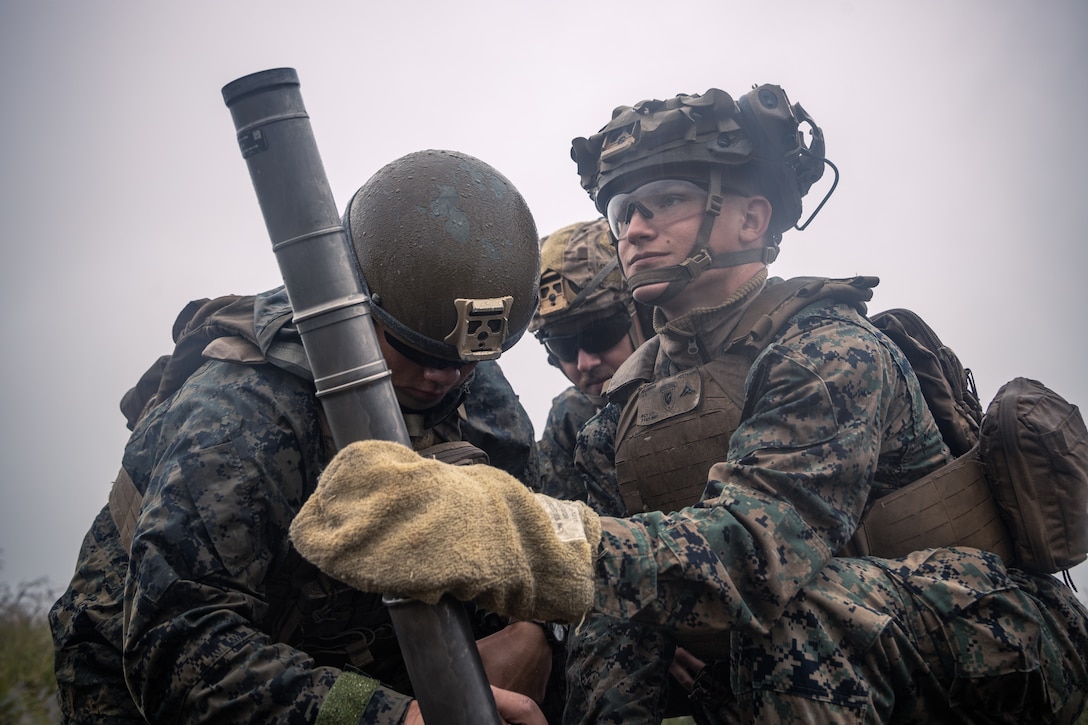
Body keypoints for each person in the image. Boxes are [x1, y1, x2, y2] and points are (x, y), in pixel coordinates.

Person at [292, 88, 1088, 724]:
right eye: (622, 209)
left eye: (664, 199)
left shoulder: (828, 350)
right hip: (817, 639)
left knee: (798, 619)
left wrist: (504, 531)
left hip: (992, 637)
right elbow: (610, 603)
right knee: (619, 626)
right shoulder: (623, 406)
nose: (633, 227)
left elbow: (747, 556)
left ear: (751, 218)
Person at [48, 149, 553, 725]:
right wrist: (392, 719)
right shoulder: (241, 412)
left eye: (469, 359)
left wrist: (535, 632)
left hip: (355, 649)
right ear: (357, 306)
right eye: (416, 351)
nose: (445, 377)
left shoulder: (469, 383)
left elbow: (534, 546)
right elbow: (180, 650)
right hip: (146, 680)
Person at [528, 218, 650, 505]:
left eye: (600, 334)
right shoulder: (571, 418)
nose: (585, 362)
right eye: (563, 346)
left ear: (644, 316)